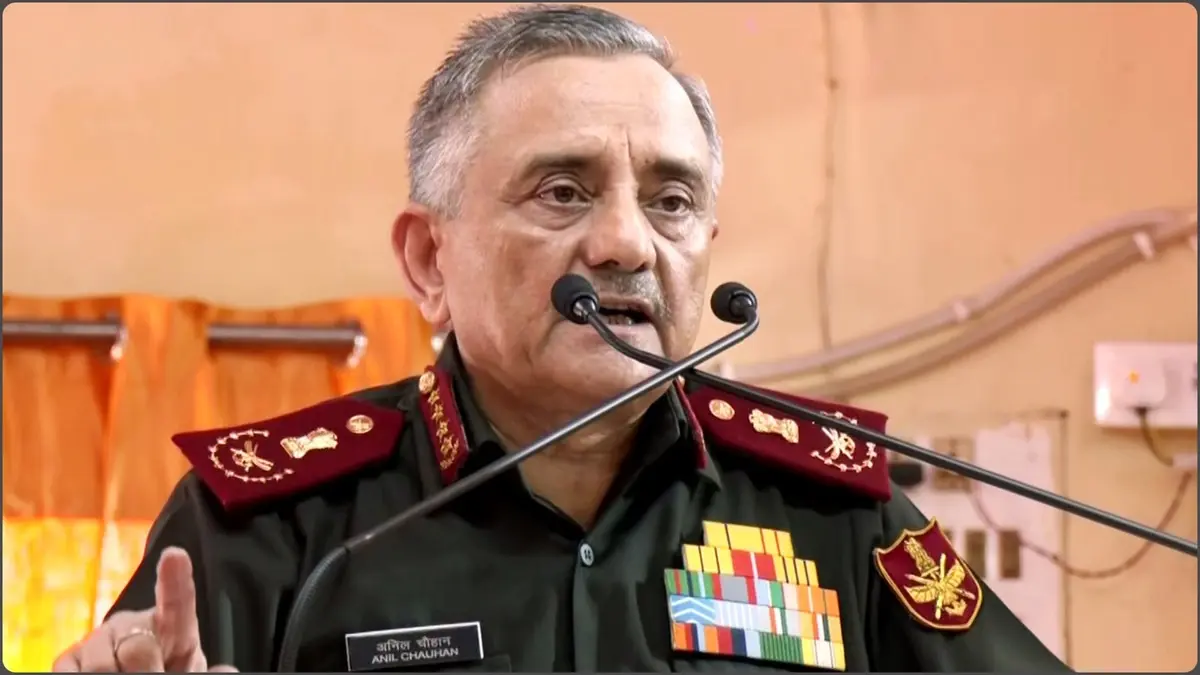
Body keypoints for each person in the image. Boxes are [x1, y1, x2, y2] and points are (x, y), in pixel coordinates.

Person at [52, 4, 1073, 673]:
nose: (628, 241)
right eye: (562, 190)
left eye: (672, 200)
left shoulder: (838, 509)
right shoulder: (274, 526)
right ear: (430, 261)